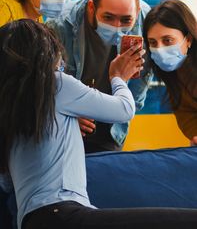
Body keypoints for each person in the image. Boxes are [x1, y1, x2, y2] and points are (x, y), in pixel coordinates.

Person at [1, 19, 197, 229]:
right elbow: (123, 110)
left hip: (32, 220)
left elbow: (6, 181)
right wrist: (118, 77)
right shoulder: (55, 83)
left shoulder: (8, 107)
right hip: (64, 214)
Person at [48, 0, 153, 153]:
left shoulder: (146, 19)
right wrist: (64, 114)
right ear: (91, 8)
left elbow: (142, 76)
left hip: (112, 124)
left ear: (136, 13)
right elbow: (44, 84)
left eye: (126, 20)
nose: (117, 26)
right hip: (68, 124)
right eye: (108, 17)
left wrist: (123, 109)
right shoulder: (59, 25)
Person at [143, 0, 197, 144]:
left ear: (189, 39)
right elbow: (185, 114)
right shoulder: (175, 73)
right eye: (153, 42)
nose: (159, 49)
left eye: (168, 40)